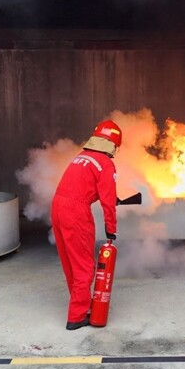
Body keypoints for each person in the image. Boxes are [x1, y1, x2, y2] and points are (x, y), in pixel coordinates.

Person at [51, 119, 121, 330]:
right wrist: (111, 231)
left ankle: (79, 304)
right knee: (85, 267)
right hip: (76, 212)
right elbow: (108, 204)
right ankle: (77, 316)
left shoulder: (82, 157)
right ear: (113, 144)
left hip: (58, 206)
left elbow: (84, 186)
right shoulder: (106, 163)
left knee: (70, 262)